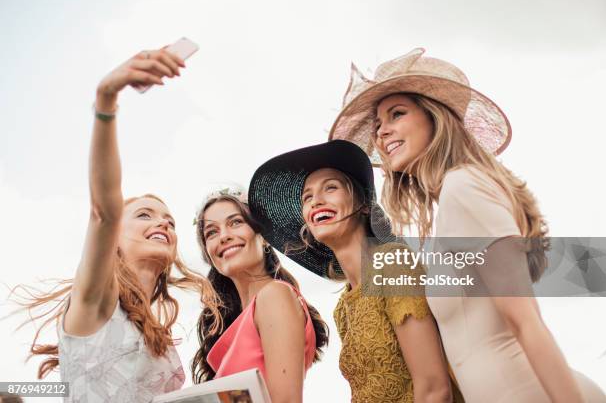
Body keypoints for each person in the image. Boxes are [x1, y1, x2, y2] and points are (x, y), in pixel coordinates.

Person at [328, 47, 606, 402]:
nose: (382, 132)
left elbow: (527, 322)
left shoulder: (464, 188)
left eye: (396, 114)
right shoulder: (446, 209)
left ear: (435, 118)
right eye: (378, 124)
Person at [12, 46, 215, 402]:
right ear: (114, 240)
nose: (163, 224)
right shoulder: (98, 300)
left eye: (169, 220)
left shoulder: (159, 337)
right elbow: (103, 211)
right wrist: (106, 99)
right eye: (144, 215)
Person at [248, 140, 463, 402]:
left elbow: (434, 389)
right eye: (307, 197)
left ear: (363, 204)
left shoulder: (393, 263)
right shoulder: (343, 307)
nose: (316, 200)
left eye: (331, 187)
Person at [190, 188, 329, 403]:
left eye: (235, 222)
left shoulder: (274, 296)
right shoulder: (237, 321)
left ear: (264, 237)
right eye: (211, 232)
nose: (224, 236)